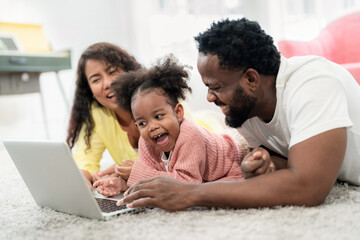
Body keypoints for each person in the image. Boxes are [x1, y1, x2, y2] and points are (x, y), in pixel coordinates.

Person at [116, 18, 360, 210]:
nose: (210, 98)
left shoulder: (313, 83)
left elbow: (309, 187)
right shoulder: (246, 109)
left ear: (251, 79)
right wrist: (265, 165)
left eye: (216, 87)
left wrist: (190, 193)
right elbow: (290, 160)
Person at [92, 56, 244, 197]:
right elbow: (149, 174)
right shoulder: (146, 141)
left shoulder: (190, 135)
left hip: (236, 151)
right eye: (142, 123)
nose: (152, 127)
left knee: (227, 188)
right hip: (219, 147)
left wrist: (137, 172)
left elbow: (187, 184)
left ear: (178, 112)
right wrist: (122, 184)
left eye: (158, 116)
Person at [66, 42, 142, 189]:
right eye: (96, 80)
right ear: (90, 91)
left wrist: (138, 171)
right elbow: (85, 157)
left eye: (113, 71)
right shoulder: (98, 114)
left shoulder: (160, 98)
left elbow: (185, 160)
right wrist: (83, 177)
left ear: (129, 71)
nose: (107, 83)